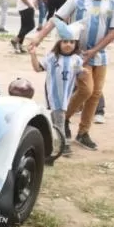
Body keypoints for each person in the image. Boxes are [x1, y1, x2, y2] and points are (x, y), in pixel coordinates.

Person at [27, 0, 114, 150]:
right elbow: (57, 19)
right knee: (86, 90)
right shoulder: (77, 0)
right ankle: (63, 120)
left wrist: (94, 50)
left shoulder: (113, 3)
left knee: (95, 95)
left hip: (99, 56)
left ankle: (83, 132)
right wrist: (39, 37)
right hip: (76, 56)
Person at [29, 18, 84, 156]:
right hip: (54, 94)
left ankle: (52, 143)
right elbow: (38, 68)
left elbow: (78, 76)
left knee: (56, 119)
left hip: (66, 95)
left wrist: (82, 76)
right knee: (58, 118)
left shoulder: (76, 60)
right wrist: (33, 55)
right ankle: (62, 145)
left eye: (72, 42)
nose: (68, 45)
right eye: (65, 41)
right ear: (59, 43)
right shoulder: (52, 57)